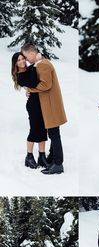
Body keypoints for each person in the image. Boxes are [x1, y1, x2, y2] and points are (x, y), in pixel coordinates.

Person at [21, 43, 67, 175]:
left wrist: (30, 89)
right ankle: (53, 159)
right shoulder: (41, 63)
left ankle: (58, 164)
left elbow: (45, 85)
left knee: (54, 135)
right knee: (54, 134)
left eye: (25, 56)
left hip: (51, 106)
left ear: (31, 53)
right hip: (50, 105)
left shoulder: (43, 64)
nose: (26, 60)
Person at [11, 52, 48, 169]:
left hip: (41, 103)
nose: (22, 61)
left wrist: (37, 61)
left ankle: (42, 156)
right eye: (19, 60)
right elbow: (33, 82)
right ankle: (29, 156)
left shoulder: (28, 69)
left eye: (23, 59)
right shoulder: (20, 76)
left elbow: (36, 65)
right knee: (34, 129)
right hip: (33, 105)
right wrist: (36, 65)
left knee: (43, 129)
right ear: (15, 64)